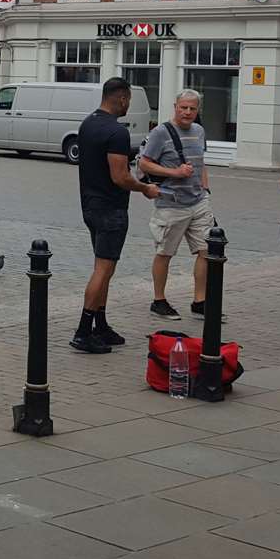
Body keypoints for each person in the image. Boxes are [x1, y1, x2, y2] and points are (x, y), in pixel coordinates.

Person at [72, 78, 161, 354]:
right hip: (111, 208)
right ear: (122, 99)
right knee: (104, 269)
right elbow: (120, 176)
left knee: (104, 268)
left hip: (89, 205)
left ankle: (101, 324)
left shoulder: (87, 124)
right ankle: (83, 331)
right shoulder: (117, 133)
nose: (128, 106)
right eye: (129, 101)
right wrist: (145, 187)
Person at [140, 90, 214, 321]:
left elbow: (201, 163)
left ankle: (199, 301)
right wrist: (174, 172)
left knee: (207, 251)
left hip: (198, 201)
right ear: (175, 106)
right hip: (171, 203)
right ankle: (159, 300)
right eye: (184, 107)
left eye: (192, 108)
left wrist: (206, 190)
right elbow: (144, 164)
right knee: (165, 253)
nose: (188, 112)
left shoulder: (199, 131)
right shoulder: (161, 132)